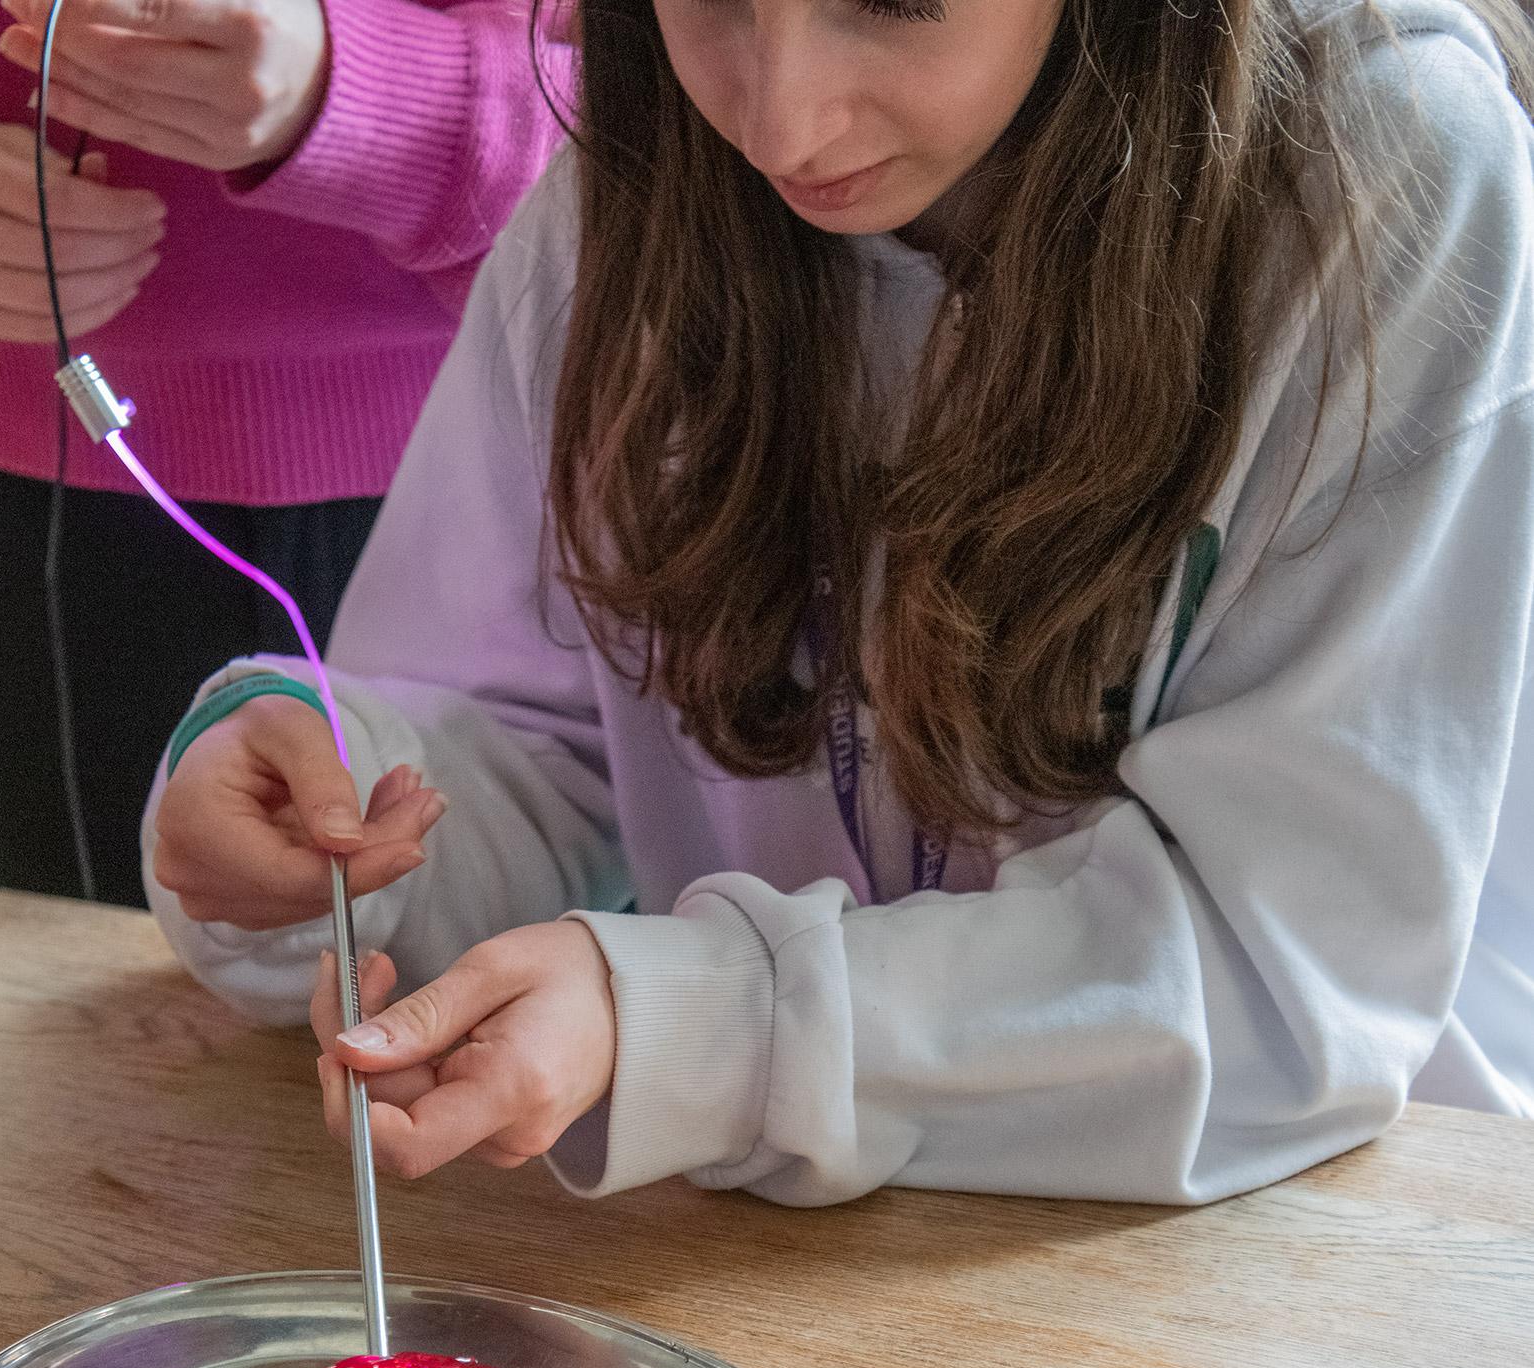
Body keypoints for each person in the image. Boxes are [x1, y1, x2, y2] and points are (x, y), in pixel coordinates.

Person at [143, 0, 1534, 1208]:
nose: (780, 122)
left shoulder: (1380, 172)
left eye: (890, 0)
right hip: (763, 1252)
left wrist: (706, 1025)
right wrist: (347, 825)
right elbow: (541, 734)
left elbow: (1285, 983)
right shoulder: (629, 187)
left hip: (1305, 1236)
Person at [0, 0, 567, 903]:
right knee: (85, 982)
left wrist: (374, 100)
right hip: (36, 539)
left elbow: (657, 106)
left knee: (507, 974)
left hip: (521, 486)